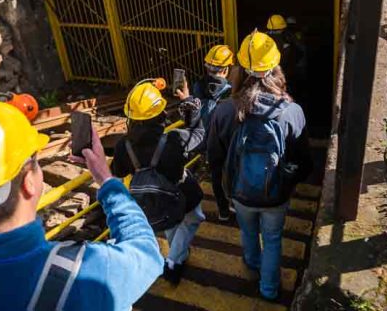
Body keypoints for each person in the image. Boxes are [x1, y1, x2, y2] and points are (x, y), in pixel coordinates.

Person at [0, 97, 164, 311]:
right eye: (35, 162)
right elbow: (147, 252)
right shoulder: (90, 272)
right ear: (29, 182)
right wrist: (106, 180)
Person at [207, 31, 312, 302]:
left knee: (248, 231)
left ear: (239, 69)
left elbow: (215, 159)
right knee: (274, 239)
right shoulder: (291, 111)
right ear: (276, 67)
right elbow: (305, 162)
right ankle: (269, 289)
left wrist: (224, 194)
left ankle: (252, 265)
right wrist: (288, 184)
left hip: (240, 194)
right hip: (275, 193)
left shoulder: (224, 110)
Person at [113, 79, 205, 285]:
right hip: (181, 193)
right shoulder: (173, 140)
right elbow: (199, 134)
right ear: (159, 114)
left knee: (170, 222)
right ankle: (173, 261)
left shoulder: (123, 146)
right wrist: (189, 102)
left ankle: (177, 254)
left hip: (151, 199)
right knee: (193, 218)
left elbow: (117, 172)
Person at [191, 44, 235, 221]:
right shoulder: (231, 91)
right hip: (227, 140)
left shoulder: (197, 86)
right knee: (232, 171)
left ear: (207, 67)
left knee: (216, 176)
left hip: (208, 142)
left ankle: (223, 211)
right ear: (226, 69)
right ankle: (233, 204)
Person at [266, 14, 308, 103]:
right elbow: (300, 51)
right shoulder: (287, 38)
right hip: (284, 73)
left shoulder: (263, 38)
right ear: (283, 27)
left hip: (267, 74)